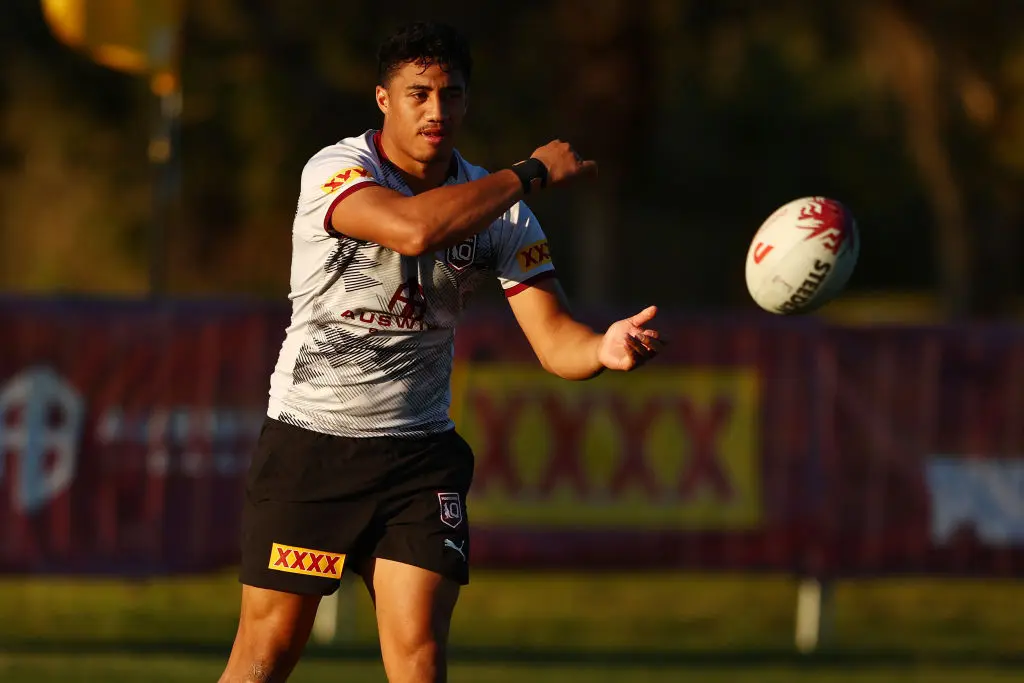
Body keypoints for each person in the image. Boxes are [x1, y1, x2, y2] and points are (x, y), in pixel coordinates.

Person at [218, 20, 663, 683]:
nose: (436, 110)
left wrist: (604, 347)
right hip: (313, 448)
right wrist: (530, 172)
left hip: (419, 459)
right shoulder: (338, 170)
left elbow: (555, 342)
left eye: (451, 94)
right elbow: (413, 229)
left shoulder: (503, 212)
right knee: (266, 654)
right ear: (383, 99)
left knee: (420, 656)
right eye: (418, 94)